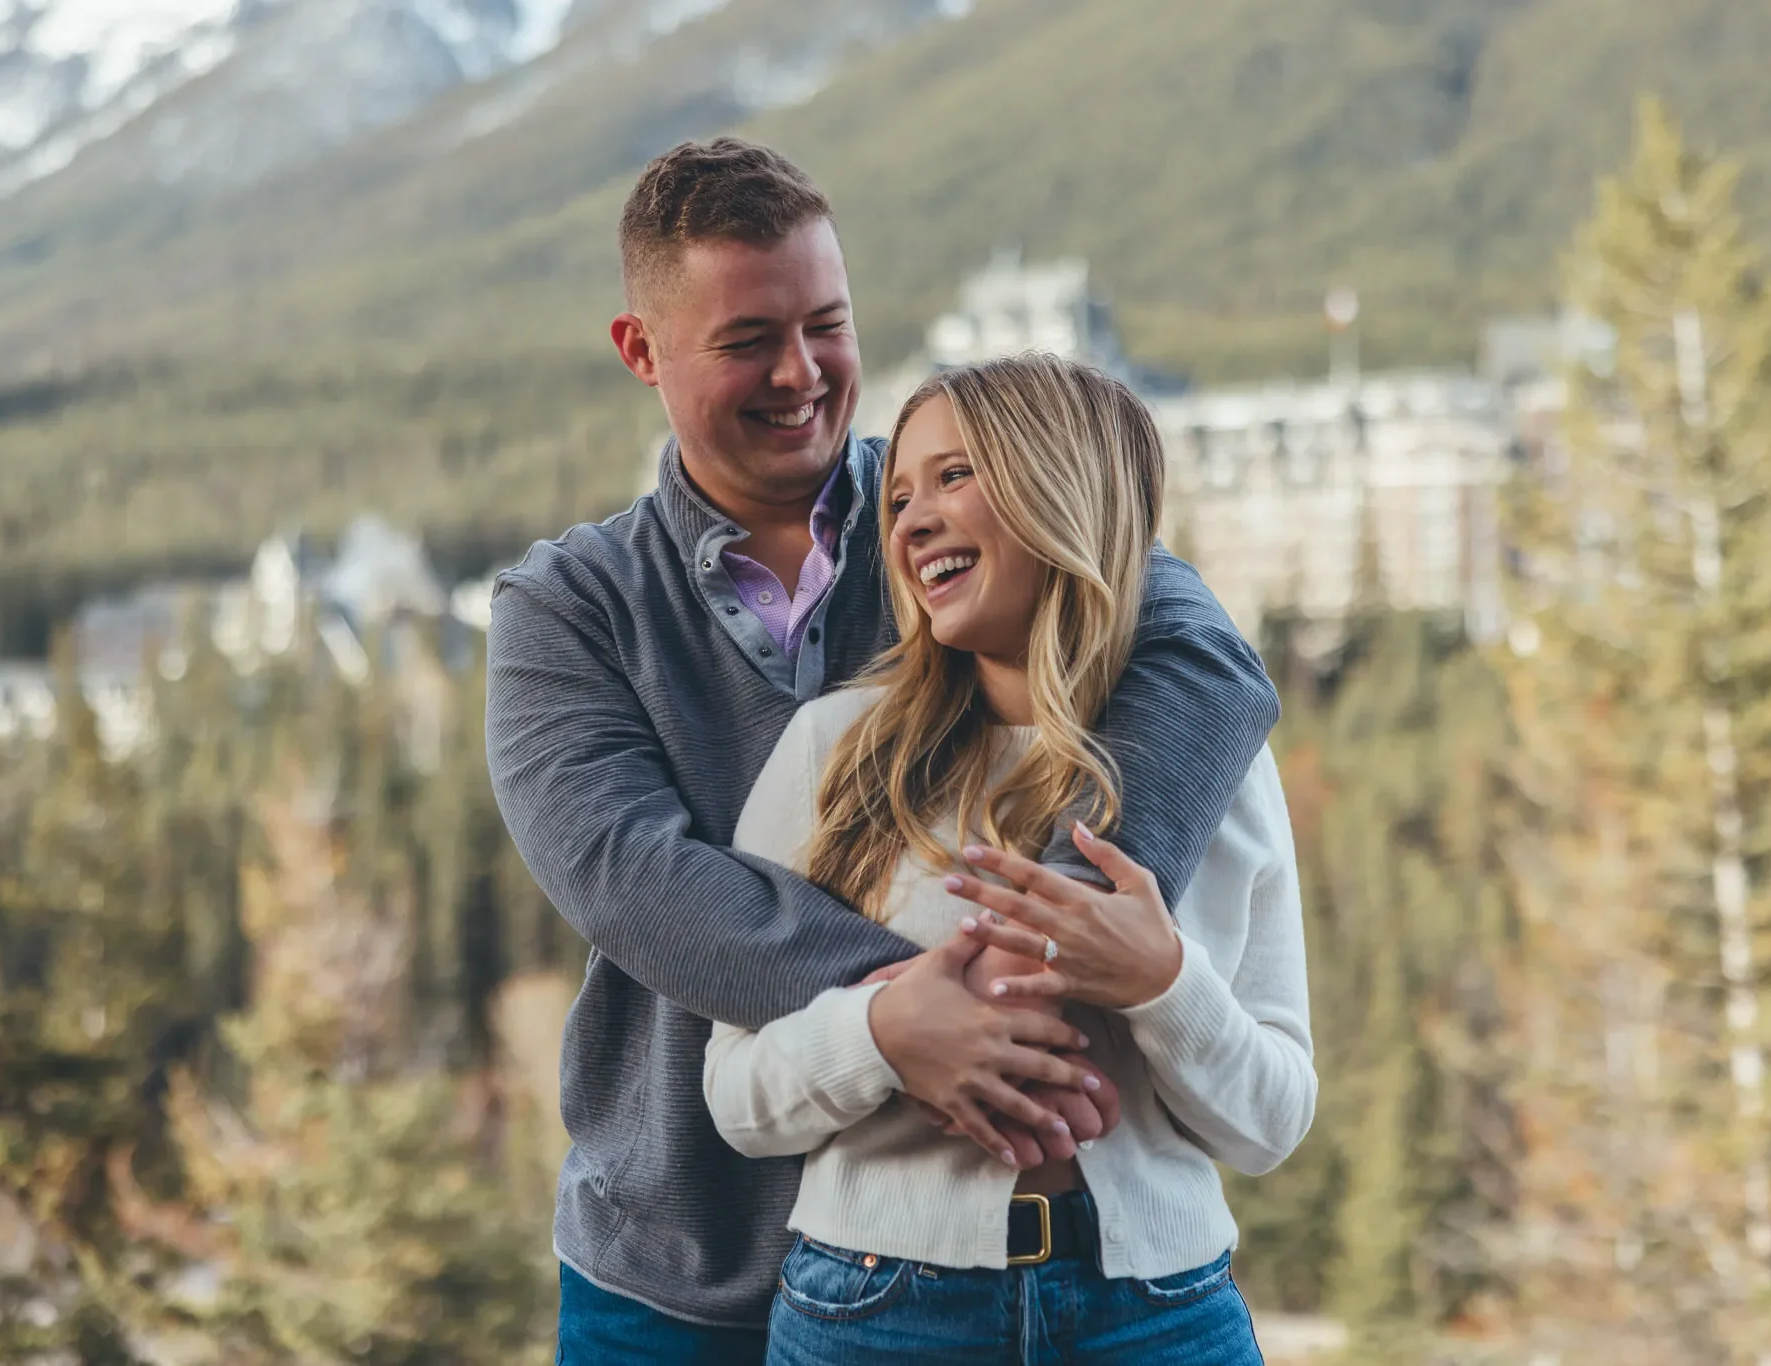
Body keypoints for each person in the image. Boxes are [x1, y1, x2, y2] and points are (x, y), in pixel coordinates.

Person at [485, 137, 1281, 1364]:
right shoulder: (570, 608)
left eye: (828, 324)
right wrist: (915, 1013)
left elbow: (1200, 654)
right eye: (748, 339)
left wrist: (1058, 936)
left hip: (991, 1255)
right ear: (640, 352)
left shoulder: (964, 526)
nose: (801, 373)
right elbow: (638, 885)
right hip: (677, 1262)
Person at [704, 353, 1315, 1365]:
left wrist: (1162, 984)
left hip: (1158, 1316)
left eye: (954, 476)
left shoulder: (1219, 768)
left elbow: (1272, 1120)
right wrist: (882, 1033)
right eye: (899, 495)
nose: (910, 520)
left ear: (1061, 484)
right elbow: (736, 1095)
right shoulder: (831, 752)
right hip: (874, 1313)